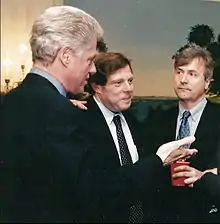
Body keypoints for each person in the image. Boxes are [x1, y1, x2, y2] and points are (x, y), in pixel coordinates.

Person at [0, 6, 197, 222]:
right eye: (89, 59)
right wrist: (160, 159)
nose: (93, 69)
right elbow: (99, 193)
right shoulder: (61, 113)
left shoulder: (13, 101)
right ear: (66, 56)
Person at [73, 52, 197, 222]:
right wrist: (158, 160)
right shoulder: (80, 123)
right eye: (118, 83)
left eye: (130, 81)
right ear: (97, 87)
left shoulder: (134, 119)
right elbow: (104, 190)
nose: (128, 89)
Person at [144, 44, 220, 222]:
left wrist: (205, 176)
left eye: (192, 74)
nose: (183, 80)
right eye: (179, 72)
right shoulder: (157, 119)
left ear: (208, 82)